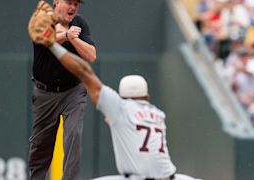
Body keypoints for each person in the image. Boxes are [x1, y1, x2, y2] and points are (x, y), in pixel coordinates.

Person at [27, 28, 199, 180]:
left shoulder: (120, 107)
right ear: (147, 97)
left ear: (123, 97)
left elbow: (84, 71)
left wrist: (52, 45)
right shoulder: (159, 114)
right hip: (170, 176)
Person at [29, 0, 96, 179]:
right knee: (41, 145)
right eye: (68, 2)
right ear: (57, 3)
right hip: (45, 93)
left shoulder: (79, 22)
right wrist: (66, 35)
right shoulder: (41, 19)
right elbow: (44, 39)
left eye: (75, 4)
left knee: (73, 136)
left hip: (73, 91)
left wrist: (74, 39)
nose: (73, 7)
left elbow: (91, 55)